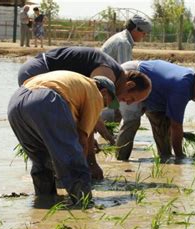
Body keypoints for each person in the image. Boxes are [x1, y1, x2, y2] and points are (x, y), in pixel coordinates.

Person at [17, 46, 152, 179]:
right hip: (38, 72)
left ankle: (55, 175)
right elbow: (89, 107)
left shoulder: (114, 74)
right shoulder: (108, 74)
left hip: (37, 78)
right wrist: (91, 162)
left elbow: (88, 111)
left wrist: (101, 131)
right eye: (132, 99)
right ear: (129, 85)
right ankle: (62, 176)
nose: (128, 103)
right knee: (57, 132)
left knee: (58, 133)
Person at [8, 71, 119, 204]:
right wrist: (83, 166)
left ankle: (44, 201)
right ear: (105, 92)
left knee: (42, 161)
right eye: (105, 104)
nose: (103, 107)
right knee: (74, 161)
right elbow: (81, 140)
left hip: (16, 102)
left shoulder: (76, 83)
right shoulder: (94, 92)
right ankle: (83, 205)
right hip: (46, 100)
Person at [115, 60, 195, 161]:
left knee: (163, 124)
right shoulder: (182, 88)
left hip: (155, 94)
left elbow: (172, 123)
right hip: (134, 76)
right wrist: (180, 157)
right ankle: (120, 160)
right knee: (132, 121)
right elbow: (176, 126)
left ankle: (165, 158)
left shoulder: (190, 81)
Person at [101, 14, 152, 123]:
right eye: (143, 33)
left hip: (107, 82)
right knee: (109, 120)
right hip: (105, 85)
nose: (144, 36)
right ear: (136, 29)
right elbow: (125, 72)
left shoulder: (123, 39)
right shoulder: (123, 43)